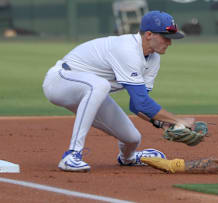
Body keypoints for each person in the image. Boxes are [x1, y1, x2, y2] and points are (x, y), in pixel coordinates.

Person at [42, 11, 194, 172]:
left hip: (91, 92)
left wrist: (163, 123)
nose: (169, 43)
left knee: (132, 138)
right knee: (100, 86)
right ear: (149, 34)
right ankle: (72, 154)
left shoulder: (153, 58)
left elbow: (138, 105)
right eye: (166, 37)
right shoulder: (127, 49)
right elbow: (142, 102)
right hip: (60, 81)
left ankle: (128, 158)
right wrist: (178, 120)